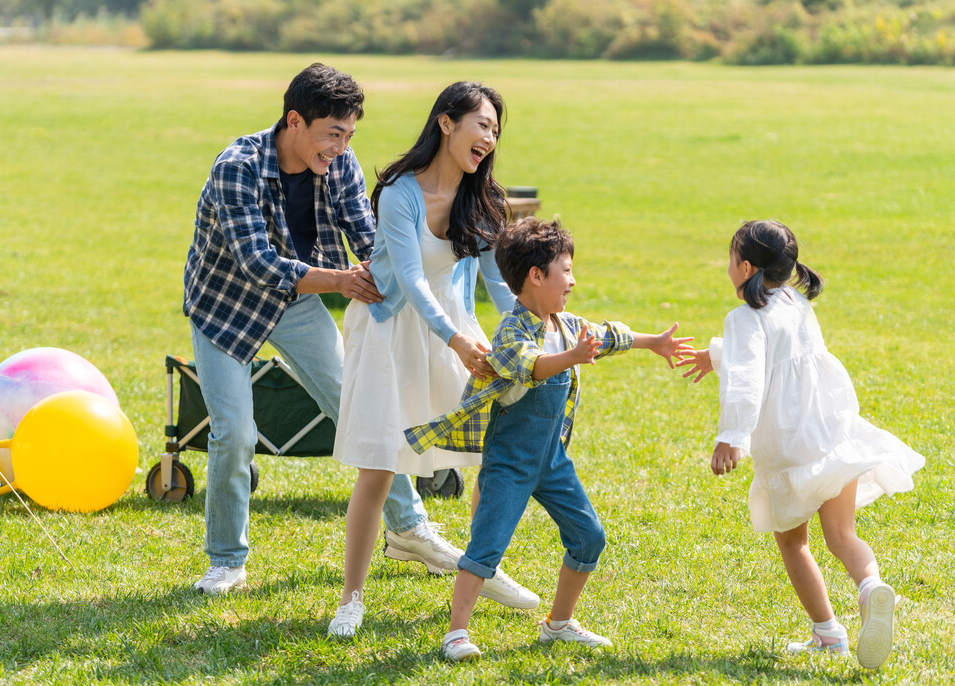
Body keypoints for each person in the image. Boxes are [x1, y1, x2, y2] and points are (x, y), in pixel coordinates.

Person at [182, 63, 472, 596]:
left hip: (299, 300)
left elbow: (366, 231)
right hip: (225, 305)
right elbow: (256, 263)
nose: (339, 147)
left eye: (348, 135)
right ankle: (227, 562)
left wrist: (403, 276)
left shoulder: (340, 164)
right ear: (295, 121)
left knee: (363, 405)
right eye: (331, 134)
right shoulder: (237, 166)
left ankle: (410, 530)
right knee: (235, 433)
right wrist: (340, 281)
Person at [405, 217, 693, 661]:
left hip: (551, 460)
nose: (573, 281)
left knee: (589, 537)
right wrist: (572, 356)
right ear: (536, 277)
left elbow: (608, 336)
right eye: (566, 271)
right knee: (485, 546)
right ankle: (456, 634)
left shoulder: (565, 322)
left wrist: (652, 341)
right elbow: (528, 366)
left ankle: (558, 625)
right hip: (510, 463)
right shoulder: (511, 330)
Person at [327, 82, 539, 638]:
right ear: (446, 123)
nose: (489, 139)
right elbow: (414, 281)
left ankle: (483, 567)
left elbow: (501, 283)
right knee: (380, 465)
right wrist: (457, 341)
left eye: (496, 131)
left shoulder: (484, 200)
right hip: (392, 331)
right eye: (482, 125)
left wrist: (536, 334)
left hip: (454, 333)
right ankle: (351, 598)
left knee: (491, 457)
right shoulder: (401, 191)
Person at [676, 219, 925, 669]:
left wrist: (730, 438)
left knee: (794, 542)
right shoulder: (793, 301)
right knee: (842, 535)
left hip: (790, 448)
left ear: (746, 266)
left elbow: (750, 378)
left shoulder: (743, 317)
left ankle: (828, 633)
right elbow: (780, 350)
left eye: (731, 257)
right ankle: (871, 588)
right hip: (831, 436)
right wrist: (718, 355)